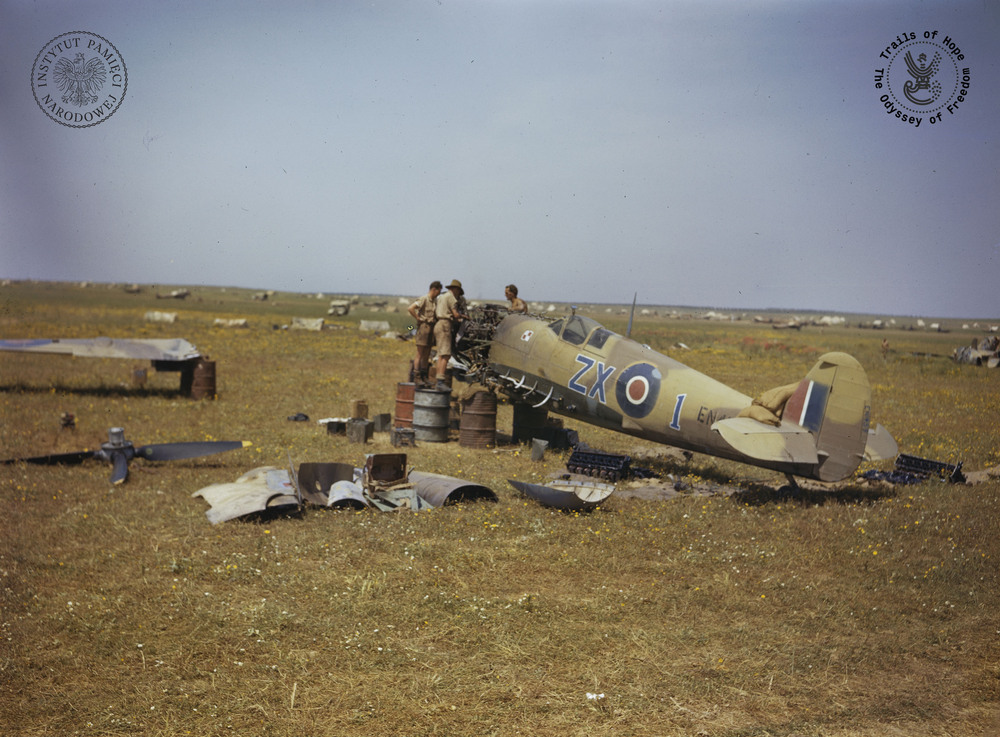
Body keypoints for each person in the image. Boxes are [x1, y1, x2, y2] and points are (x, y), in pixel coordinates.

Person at [433, 279, 468, 390]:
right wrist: (465, 317)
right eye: (458, 291)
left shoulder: (441, 297)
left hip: (439, 324)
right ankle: (440, 382)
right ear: (455, 289)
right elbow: (456, 314)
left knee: (441, 354)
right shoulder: (451, 297)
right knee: (446, 355)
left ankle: (439, 380)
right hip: (445, 325)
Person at [408, 281, 441, 385]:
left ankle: (424, 376)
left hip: (431, 328)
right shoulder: (424, 299)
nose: (438, 294)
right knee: (420, 354)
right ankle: (417, 377)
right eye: (438, 291)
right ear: (434, 289)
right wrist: (418, 318)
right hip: (424, 328)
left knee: (427, 355)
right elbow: (410, 308)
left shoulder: (435, 301)